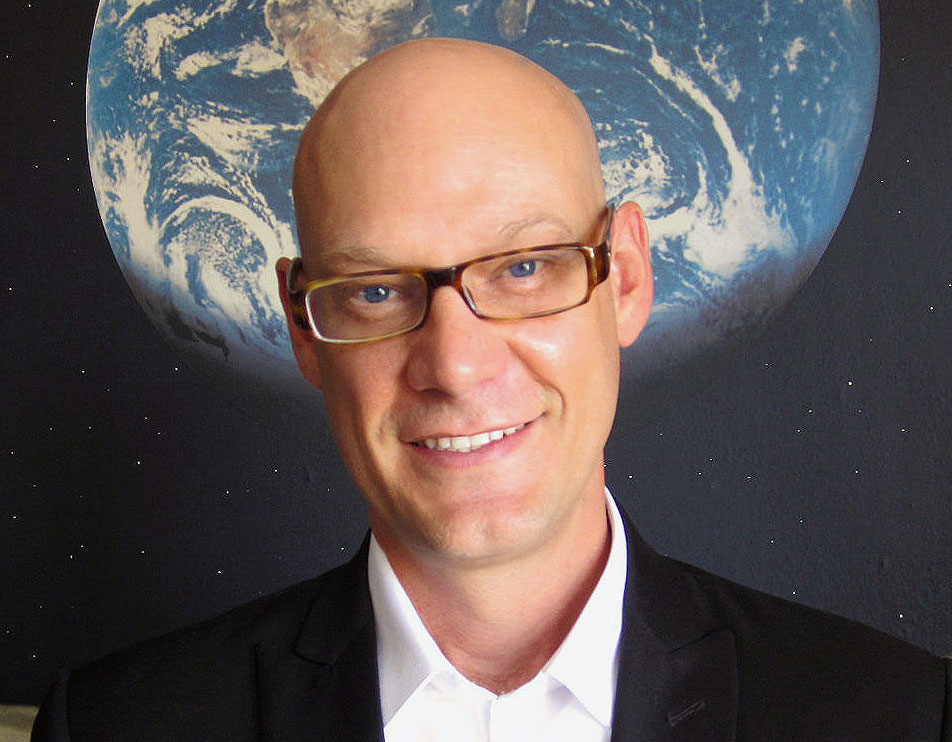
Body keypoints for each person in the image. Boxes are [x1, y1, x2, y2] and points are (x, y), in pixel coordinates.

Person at [32, 38, 950, 742]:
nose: (456, 366)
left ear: (626, 277)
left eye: (523, 269)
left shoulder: (899, 717)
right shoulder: (116, 725)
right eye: (376, 290)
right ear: (304, 326)